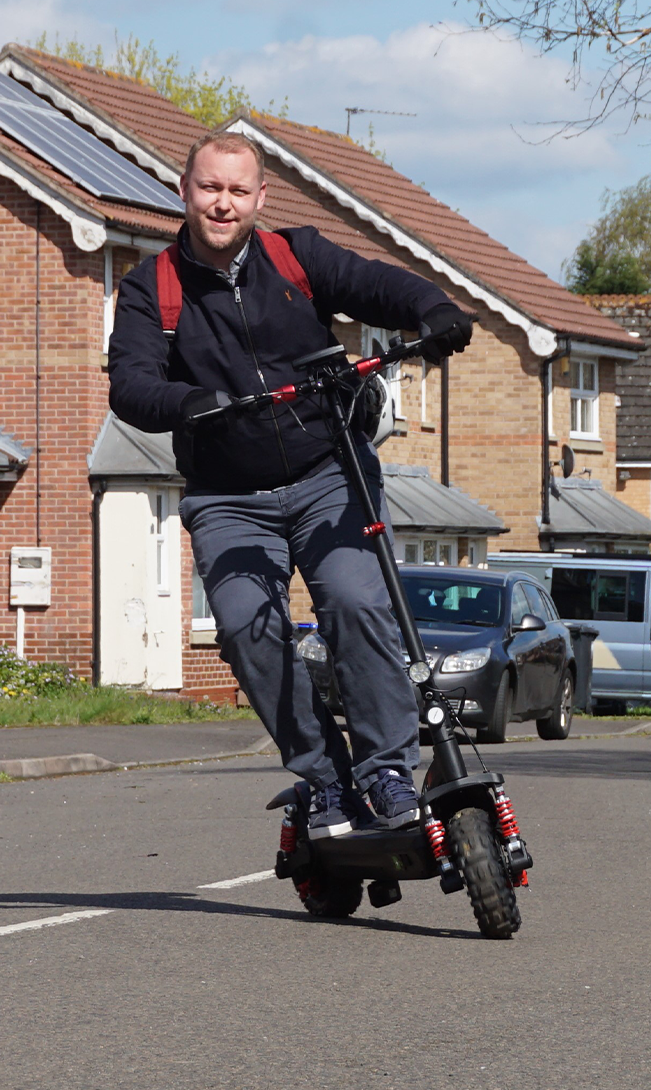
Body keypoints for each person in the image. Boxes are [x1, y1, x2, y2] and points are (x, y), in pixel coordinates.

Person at [108, 131, 472, 839]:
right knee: (247, 626)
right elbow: (131, 381)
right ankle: (327, 777)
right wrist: (184, 402)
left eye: (237, 191)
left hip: (328, 475)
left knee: (357, 602)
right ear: (184, 190)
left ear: (259, 198)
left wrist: (433, 310)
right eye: (210, 188)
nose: (223, 203)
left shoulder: (294, 256)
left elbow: (377, 284)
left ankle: (388, 771)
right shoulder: (152, 288)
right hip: (228, 497)